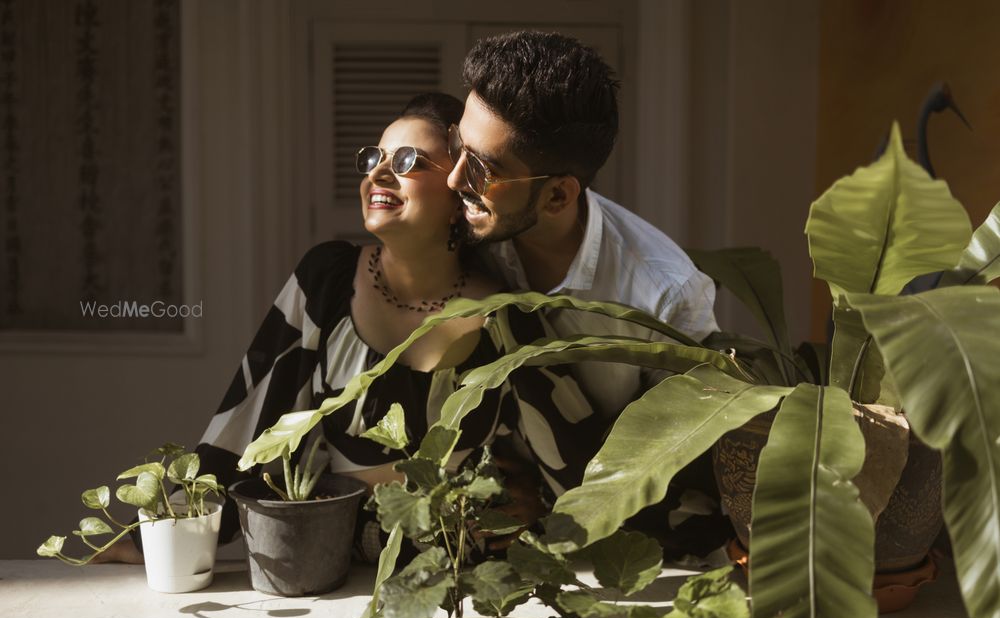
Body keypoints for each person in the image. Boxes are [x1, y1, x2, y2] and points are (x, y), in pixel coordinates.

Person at [99, 93, 606, 564]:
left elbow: (574, 456)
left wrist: (537, 514)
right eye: (373, 159)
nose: (380, 174)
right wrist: (171, 536)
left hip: (463, 576)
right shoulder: (327, 280)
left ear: (459, 192)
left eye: (407, 162)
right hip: (334, 567)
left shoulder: (504, 312)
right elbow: (247, 418)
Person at [447, 31, 730, 558]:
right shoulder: (462, 233)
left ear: (557, 194)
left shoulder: (664, 295)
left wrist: (550, 511)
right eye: (455, 145)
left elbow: (673, 473)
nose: (454, 179)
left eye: (484, 168)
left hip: (608, 556)